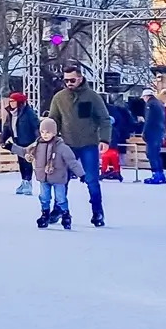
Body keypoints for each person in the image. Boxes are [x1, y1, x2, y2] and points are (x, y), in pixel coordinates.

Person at [47, 64, 112, 227]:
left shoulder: (92, 97)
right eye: (66, 80)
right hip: (67, 145)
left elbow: (104, 119)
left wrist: (104, 139)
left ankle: (97, 212)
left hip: (88, 144)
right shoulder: (59, 98)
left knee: (92, 179)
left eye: (72, 80)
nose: (69, 83)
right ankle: (59, 209)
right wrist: (50, 137)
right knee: (61, 179)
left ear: (80, 78)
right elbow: (54, 120)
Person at [28, 116, 85, 230]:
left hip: (58, 179)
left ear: (54, 133)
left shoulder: (62, 147)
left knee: (61, 199)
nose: (45, 135)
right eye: (42, 132)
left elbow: (72, 161)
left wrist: (81, 174)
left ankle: (65, 215)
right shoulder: (37, 145)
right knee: (44, 197)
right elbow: (25, 151)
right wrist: (11, 147)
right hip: (43, 178)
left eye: (48, 132)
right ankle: (45, 215)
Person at [2, 92, 39, 196]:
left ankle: (28, 183)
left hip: (28, 141)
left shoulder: (29, 113)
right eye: (10, 101)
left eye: (13, 101)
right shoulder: (11, 113)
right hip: (17, 141)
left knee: (27, 162)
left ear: (19, 102)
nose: (11, 103)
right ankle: (24, 182)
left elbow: (36, 126)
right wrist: (2, 139)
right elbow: (7, 128)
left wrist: (38, 140)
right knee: (21, 163)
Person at [141, 88, 166, 185]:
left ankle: (156, 175)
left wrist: (144, 132)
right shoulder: (159, 104)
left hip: (152, 132)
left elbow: (149, 119)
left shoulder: (150, 104)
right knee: (157, 154)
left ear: (146, 96)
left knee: (151, 154)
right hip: (159, 132)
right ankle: (161, 175)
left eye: (143, 97)